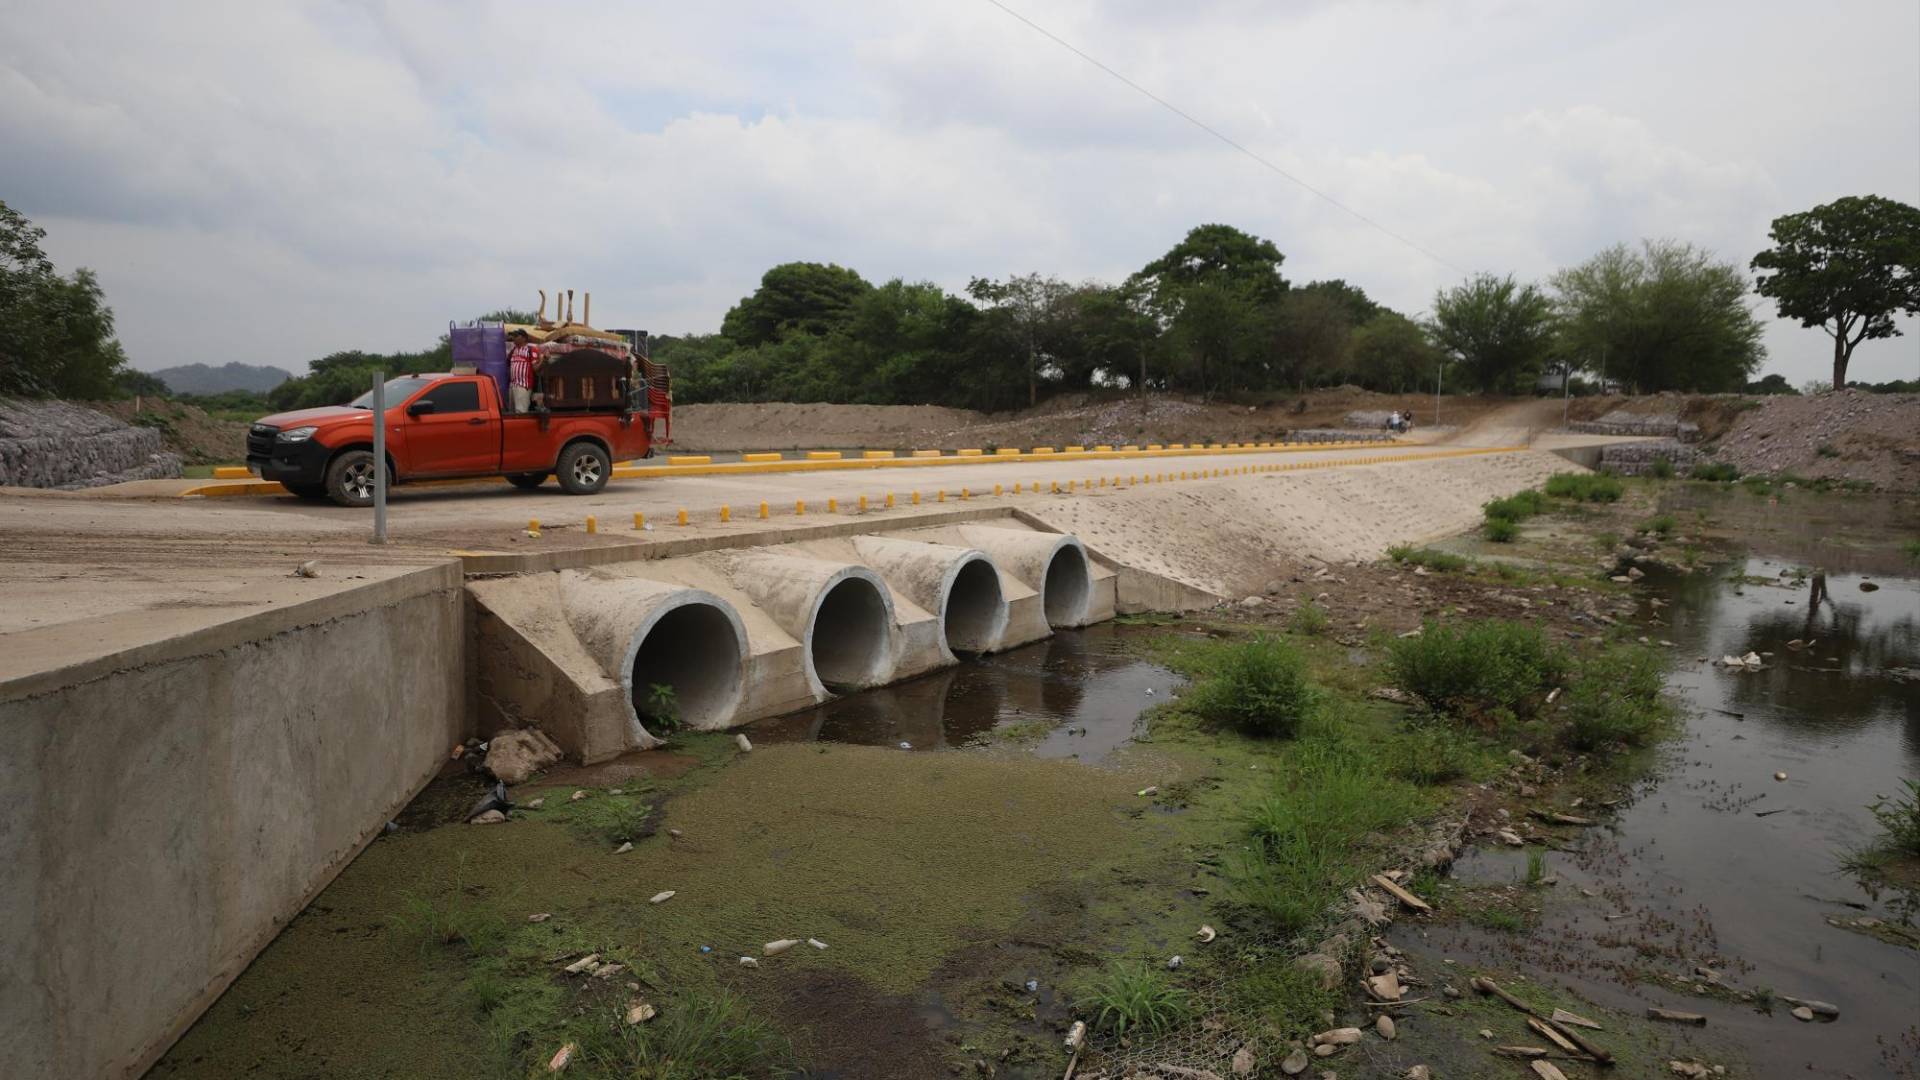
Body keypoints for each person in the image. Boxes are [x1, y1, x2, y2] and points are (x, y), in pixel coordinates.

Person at [507, 330, 539, 413]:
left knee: (520, 413)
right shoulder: (513, 350)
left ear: (524, 338)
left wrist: (544, 360)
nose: (514, 338)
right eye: (513, 336)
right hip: (512, 386)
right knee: (511, 413)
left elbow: (535, 368)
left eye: (516, 336)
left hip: (523, 386)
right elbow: (507, 363)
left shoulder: (531, 350)